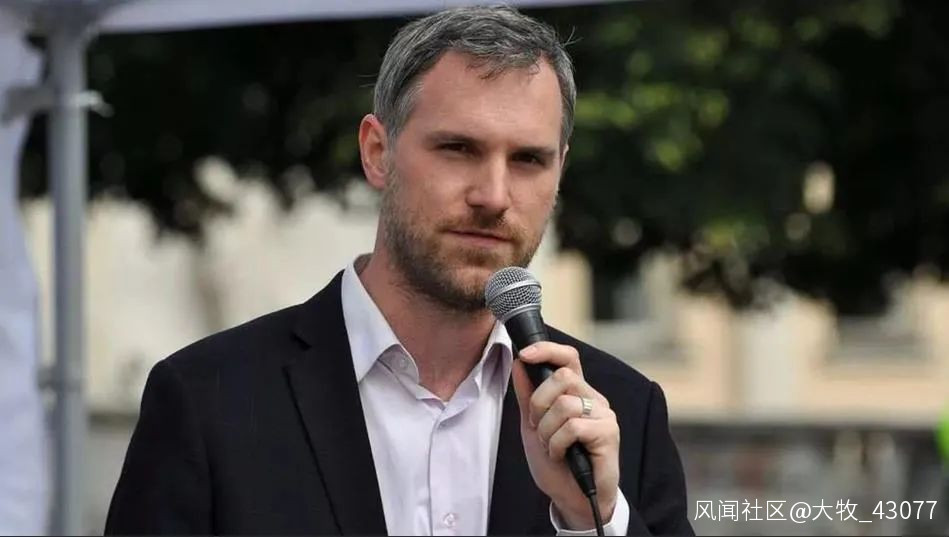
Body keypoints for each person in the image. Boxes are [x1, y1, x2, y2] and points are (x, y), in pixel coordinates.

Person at [105, 6, 692, 536]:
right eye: (458, 148)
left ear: (559, 171)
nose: (493, 195)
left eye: (527, 160)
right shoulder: (209, 401)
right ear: (377, 153)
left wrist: (590, 521)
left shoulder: (619, 414)